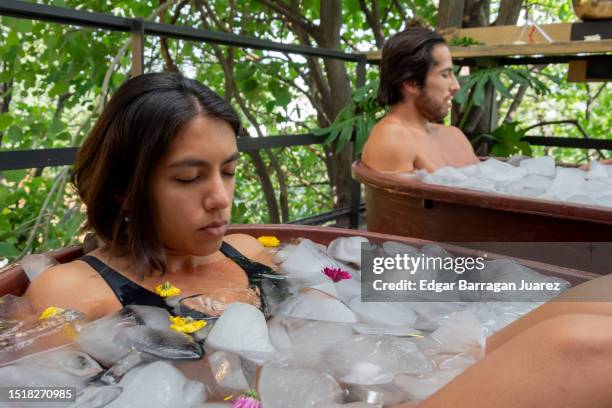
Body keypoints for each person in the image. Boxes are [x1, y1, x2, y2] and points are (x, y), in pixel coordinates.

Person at [25, 73, 274, 321]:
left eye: (228, 172)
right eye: (188, 177)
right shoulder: (69, 295)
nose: (221, 199)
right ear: (122, 187)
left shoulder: (249, 253)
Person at [362, 27, 479, 173]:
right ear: (412, 82)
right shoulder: (392, 138)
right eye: (445, 74)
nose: (456, 86)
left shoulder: (455, 136)